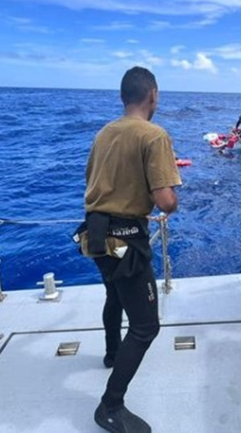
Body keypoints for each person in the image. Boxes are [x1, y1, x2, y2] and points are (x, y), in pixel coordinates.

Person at [81, 66, 182, 433]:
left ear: (124, 97)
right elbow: (165, 201)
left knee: (114, 293)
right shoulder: (154, 135)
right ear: (152, 94)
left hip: (94, 235)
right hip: (126, 238)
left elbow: (95, 183)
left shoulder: (104, 132)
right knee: (145, 326)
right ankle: (110, 406)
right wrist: (172, 198)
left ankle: (111, 353)